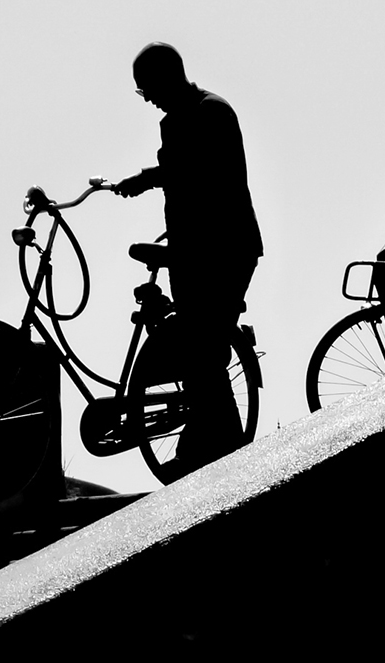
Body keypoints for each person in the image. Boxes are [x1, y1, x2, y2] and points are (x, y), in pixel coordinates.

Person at [114, 42, 263, 477]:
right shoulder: (184, 117)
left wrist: (147, 178)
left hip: (221, 251)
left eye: (148, 89)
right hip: (196, 251)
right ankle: (215, 450)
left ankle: (224, 455)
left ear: (167, 77)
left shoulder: (208, 113)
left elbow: (200, 175)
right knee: (203, 355)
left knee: (203, 351)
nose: (150, 99)